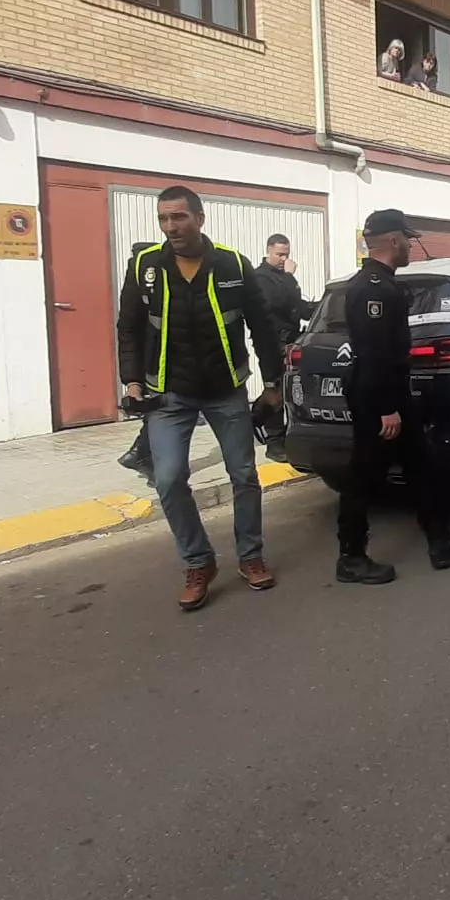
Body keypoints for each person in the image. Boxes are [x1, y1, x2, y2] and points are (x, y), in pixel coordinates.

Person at [116, 186, 288, 611]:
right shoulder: (145, 266)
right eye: (164, 219)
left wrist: (272, 382)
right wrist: (132, 381)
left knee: (244, 475)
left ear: (199, 218)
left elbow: (262, 326)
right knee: (170, 479)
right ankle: (198, 562)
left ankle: (250, 556)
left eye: (179, 217)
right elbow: (129, 327)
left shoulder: (232, 264)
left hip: (225, 391)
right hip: (168, 395)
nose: (171, 227)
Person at [335, 208, 450, 584]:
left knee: (424, 467)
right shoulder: (372, 288)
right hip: (378, 399)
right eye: (406, 239)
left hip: (393, 395)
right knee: (364, 477)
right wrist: (387, 408)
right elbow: (373, 354)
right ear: (393, 241)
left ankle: (441, 542)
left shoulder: (383, 283)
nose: (410, 247)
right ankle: (351, 557)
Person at [251, 233, 313, 463]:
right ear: (268, 251)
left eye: (286, 254)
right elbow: (275, 302)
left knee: (287, 388)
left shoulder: (283, 277)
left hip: (290, 340)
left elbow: (295, 306)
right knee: (275, 387)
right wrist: (288, 276)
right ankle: (274, 440)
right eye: (279, 254)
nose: (283, 259)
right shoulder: (261, 277)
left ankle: (255, 420)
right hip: (271, 342)